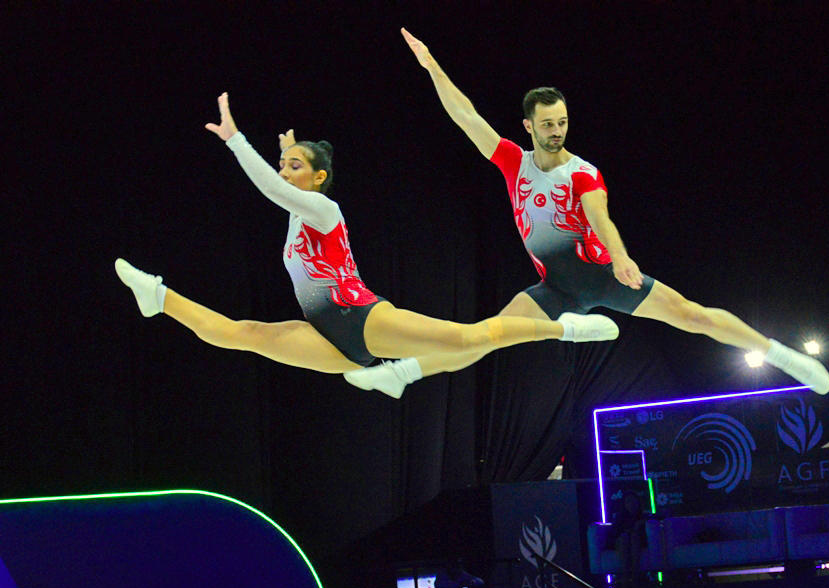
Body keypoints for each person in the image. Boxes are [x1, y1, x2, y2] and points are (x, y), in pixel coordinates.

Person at [343, 29, 829, 399]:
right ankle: (402, 373)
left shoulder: (582, 173)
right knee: (483, 337)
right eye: (548, 124)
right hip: (554, 288)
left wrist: (621, 258)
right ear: (528, 125)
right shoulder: (513, 161)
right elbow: (466, 114)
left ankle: (779, 353)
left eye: (563, 122)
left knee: (692, 316)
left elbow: (601, 219)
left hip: (603, 275)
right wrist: (432, 67)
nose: (557, 130)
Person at [114, 93, 620, 376]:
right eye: (283, 164)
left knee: (468, 338)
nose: (283, 170)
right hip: (329, 338)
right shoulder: (300, 205)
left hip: (361, 318)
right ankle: (157, 297)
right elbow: (283, 179)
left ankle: (568, 328)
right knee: (244, 336)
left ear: (317, 180)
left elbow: (274, 186)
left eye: (294, 166)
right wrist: (292, 149)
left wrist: (236, 140)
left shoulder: (322, 209)